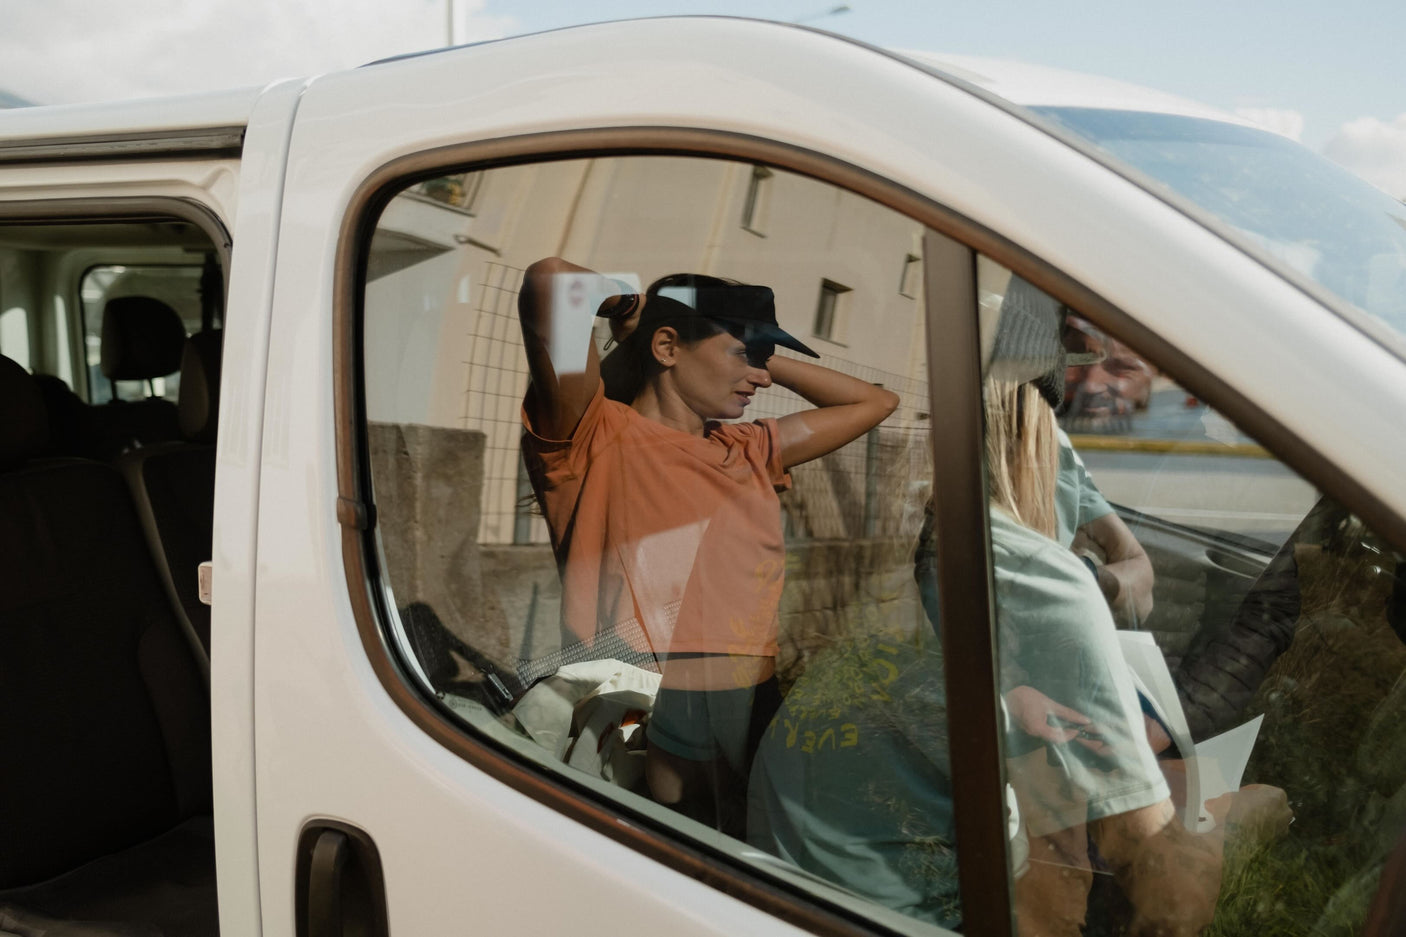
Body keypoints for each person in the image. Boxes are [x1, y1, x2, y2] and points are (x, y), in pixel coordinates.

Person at [748, 276, 1288, 935]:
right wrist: (1242, 816)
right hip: (872, 909)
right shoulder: (1034, 577)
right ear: (1042, 422)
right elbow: (1168, 895)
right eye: (1084, 362)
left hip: (786, 865)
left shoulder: (928, 526)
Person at [516, 257, 897, 834]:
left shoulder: (748, 449)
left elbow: (877, 403)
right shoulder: (595, 435)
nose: (762, 378)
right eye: (744, 356)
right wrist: (633, 310)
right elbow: (554, 280)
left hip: (751, 697)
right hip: (643, 703)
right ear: (667, 348)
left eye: (763, 360)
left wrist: (758, 351)